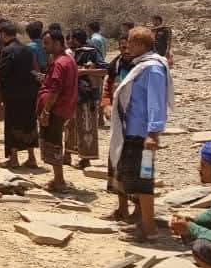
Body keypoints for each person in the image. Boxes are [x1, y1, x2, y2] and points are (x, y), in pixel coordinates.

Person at [107, 26, 173, 243]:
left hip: (142, 135)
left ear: (140, 44)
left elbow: (156, 102)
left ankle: (149, 229)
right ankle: (143, 222)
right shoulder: (142, 65)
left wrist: (153, 133)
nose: (128, 46)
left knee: (144, 180)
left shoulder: (152, 69)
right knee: (135, 178)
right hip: (131, 132)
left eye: (131, 42)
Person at [37, 28, 78, 191]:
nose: (44, 47)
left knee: (53, 142)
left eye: (47, 43)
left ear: (57, 43)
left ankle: (59, 180)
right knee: (53, 141)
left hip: (55, 109)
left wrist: (46, 111)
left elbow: (55, 90)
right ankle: (57, 178)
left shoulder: (60, 63)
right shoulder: (67, 60)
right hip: (62, 108)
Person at [0, 21, 39, 168]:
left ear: (3, 34)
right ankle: (31, 158)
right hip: (30, 93)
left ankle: (13, 158)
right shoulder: (27, 50)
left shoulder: (7, 50)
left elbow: (3, 72)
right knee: (29, 123)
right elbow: (34, 70)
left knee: (12, 124)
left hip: (13, 94)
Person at [65, 28, 107, 168]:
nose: (69, 41)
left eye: (71, 38)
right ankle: (67, 155)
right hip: (71, 93)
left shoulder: (91, 52)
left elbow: (104, 69)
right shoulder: (70, 52)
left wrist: (84, 71)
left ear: (76, 39)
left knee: (86, 125)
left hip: (86, 94)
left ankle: (85, 159)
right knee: (70, 125)